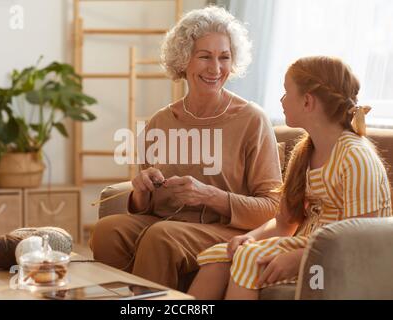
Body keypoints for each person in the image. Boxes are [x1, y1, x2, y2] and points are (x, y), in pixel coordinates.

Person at [90, 6, 282, 291]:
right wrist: (141, 193)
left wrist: (210, 196)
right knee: (108, 231)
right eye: (204, 56)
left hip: (226, 229)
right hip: (169, 224)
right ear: (183, 61)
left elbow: (272, 207)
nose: (215, 69)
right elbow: (148, 207)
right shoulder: (161, 121)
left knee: (162, 236)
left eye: (224, 57)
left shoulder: (251, 120)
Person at [188, 56, 392, 299]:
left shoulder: (355, 157)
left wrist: (299, 259)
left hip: (341, 259)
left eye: (286, 92)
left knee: (250, 258)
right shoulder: (305, 152)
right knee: (219, 256)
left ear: (307, 101)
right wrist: (248, 237)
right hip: (308, 247)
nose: (282, 100)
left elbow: (359, 240)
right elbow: (286, 222)